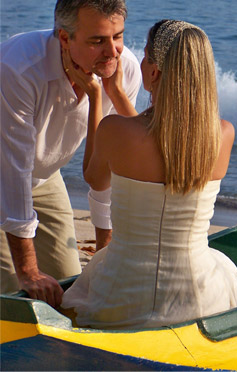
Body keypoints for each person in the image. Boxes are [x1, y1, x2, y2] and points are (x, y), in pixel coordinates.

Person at [61, 20, 237, 329]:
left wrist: (97, 97)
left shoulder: (114, 131)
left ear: (153, 72)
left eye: (144, 55)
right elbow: (161, 142)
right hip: (200, 296)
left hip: (122, 295)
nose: (139, 63)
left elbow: (96, 178)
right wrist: (116, 94)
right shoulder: (223, 134)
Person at [0, 0, 141, 307]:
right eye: (97, 41)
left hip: (46, 178)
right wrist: (27, 270)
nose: (113, 51)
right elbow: (13, 168)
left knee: (68, 286)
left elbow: (111, 164)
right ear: (64, 38)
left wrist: (105, 245)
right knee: (13, 293)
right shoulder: (18, 68)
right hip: (6, 173)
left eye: (118, 36)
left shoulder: (124, 69)